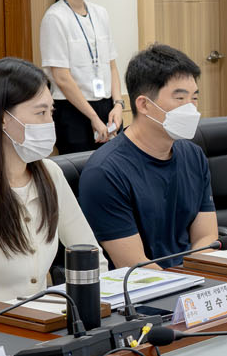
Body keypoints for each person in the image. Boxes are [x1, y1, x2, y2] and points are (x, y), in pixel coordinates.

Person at [0, 58, 100, 326]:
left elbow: (91, 255)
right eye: (40, 113)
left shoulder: (50, 175)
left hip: (48, 329)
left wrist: (92, 312)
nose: (49, 123)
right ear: (2, 118)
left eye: (51, 112)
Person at [77, 44, 219, 267]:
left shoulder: (194, 155)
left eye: (194, 98)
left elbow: (206, 238)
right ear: (144, 105)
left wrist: (198, 278)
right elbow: (134, 264)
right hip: (138, 284)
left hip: (191, 277)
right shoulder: (105, 172)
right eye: (180, 99)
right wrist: (186, 281)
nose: (190, 108)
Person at [40, 0, 124, 155]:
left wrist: (118, 105)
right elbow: (62, 77)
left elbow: (112, 66)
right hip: (73, 111)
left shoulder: (100, 13)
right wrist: (93, 117)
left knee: (114, 164)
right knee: (80, 168)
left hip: (108, 107)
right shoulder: (55, 18)